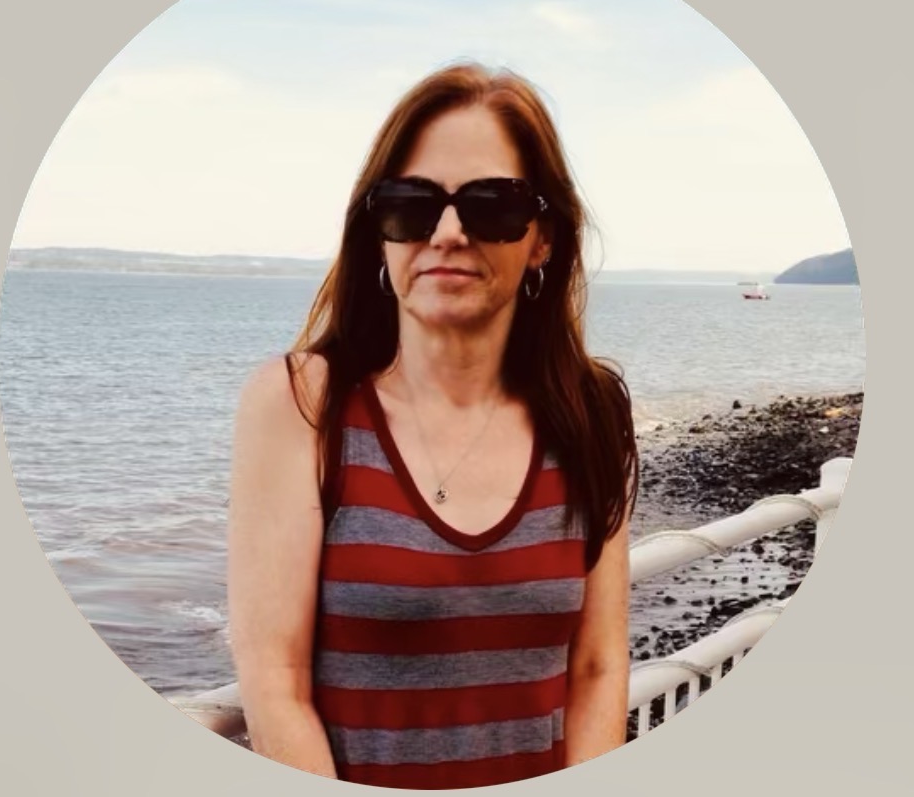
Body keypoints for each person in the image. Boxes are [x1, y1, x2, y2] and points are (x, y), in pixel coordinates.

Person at [227, 62, 639, 789]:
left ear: (542, 238)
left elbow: (599, 666)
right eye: (410, 206)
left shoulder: (590, 413)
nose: (447, 233)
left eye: (491, 205)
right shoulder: (302, 405)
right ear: (378, 235)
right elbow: (274, 679)